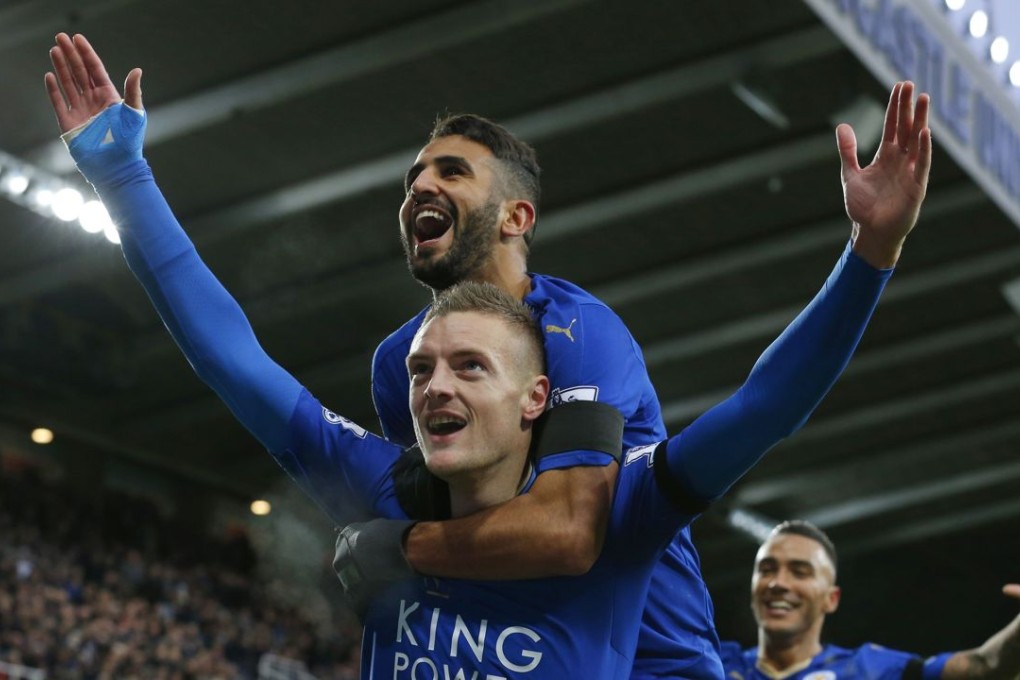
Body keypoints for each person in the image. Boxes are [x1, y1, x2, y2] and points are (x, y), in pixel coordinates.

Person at [45, 31, 931, 679]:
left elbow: (578, 526)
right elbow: (234, 361)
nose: (420, 188)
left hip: (654, 660)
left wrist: (870, 255)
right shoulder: (399, 378)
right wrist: (124, 179)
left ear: (538, 395)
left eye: (451, 173)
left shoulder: (582, 335)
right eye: (411, 179)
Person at [721, 521, 1020, 680]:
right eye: (767, 570)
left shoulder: (871, 670)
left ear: (831, 599)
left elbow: (984, 667)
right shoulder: (715, 665)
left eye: (800, 572)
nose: (778, 583)